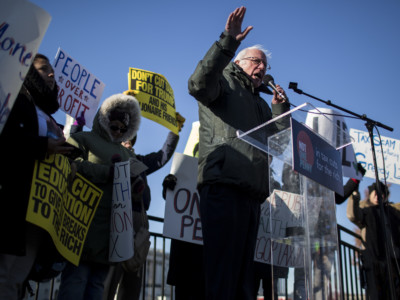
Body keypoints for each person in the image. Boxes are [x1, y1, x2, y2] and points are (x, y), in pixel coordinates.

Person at [188, 7, 290, 299]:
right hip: (223, 185)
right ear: (240, 61)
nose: (263, 69)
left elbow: (278, 144)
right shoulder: (224, 81)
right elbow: (197, 84)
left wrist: (280, 110)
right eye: (258, 62)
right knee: (223, 276)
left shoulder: (260, 104)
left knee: (245, 284)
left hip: (252, 195)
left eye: (266, 67)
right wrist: (227, 41)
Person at [0, 53, 72, 299]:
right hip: (14, 202)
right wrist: (43, 147)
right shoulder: (16, 100)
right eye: (43, 69)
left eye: (52, 70)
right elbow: (8, 141)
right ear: (29, 72)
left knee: (16, 279)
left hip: (39, 212)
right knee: (3, 274)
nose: (52, 74)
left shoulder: (49, 116)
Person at [57, 93, 143, 300]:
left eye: (123, 129)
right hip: (82, 223)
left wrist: (136, 185)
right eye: (114, 126)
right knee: (75, 283)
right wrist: (108, 173)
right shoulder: (82, 139)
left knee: (97, 287)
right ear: (104, 121)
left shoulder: (128, 154)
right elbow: (69, 166)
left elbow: (132, 186)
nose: (118, 132)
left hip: (111, 231)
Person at [103, 113, 183, 300]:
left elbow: (162, 156)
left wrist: (174, 131)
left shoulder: (140, 161)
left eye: (131, 139)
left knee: (132, 280)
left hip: (138, 221)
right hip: (114, 219)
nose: (128, 142)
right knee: (108, 280)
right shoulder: (108, 157)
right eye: (124, 139)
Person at [161, 142, 205, 300]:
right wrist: (168, 186)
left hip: (204, 258)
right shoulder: (182, 176)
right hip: (184, 257)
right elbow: (172, 201)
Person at [347, 181, 400, 299]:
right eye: (375, 193)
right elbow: (352, 215)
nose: (378, 196)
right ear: (370, 195)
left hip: (393, 261)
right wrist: (354, 195)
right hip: (374, 260)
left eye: (381, 194)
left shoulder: (393, 211)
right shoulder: (366, 210)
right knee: (376, 294)